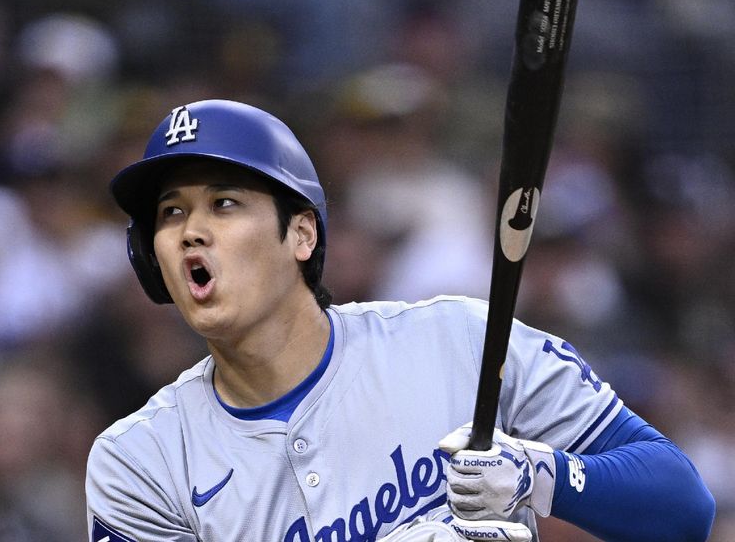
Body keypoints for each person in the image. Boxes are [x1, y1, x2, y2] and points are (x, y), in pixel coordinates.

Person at [85, 99, 715, 542]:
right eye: (169, 214)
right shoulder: (140, 461)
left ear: (301, 232)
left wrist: (538, 475)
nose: (191, 231)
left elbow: (682, 506)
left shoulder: (459, 340)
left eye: (223, 203)